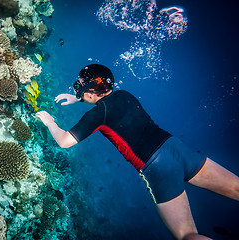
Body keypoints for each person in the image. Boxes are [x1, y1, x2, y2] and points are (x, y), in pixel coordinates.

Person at [36, 64, 239, 240]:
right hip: (177, 149)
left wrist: (49, 122)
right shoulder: (125, 94)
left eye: (81, 84)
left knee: (186, 234)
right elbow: (107, 103)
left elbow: (63, 142)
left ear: (90, 88)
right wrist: (78, 99)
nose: (78, 87)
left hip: (157, 167)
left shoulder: (98, 115)